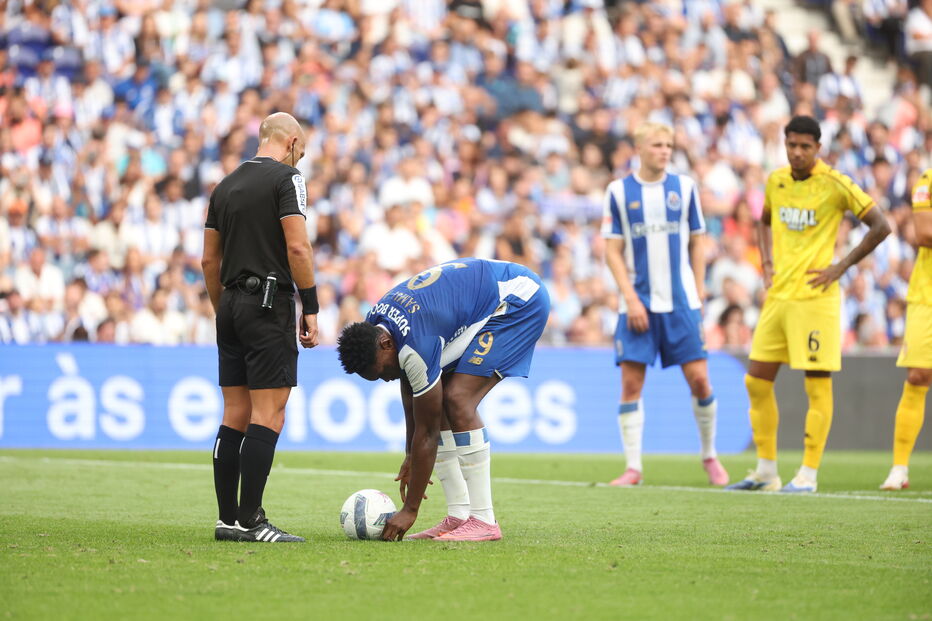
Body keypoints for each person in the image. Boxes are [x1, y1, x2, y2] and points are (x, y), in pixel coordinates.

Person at [727, 115, 890, 494]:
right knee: (755, 381)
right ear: (784, 145)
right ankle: (766, 471)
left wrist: (840, 267)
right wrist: (766, 264)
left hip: (816, 299)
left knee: (816, 386)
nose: (797, 152)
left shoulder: (834, 183)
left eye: (805, 146)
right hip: (779, 296)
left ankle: (808, 474)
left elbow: (881, 225)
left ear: (818, 148)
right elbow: (763, 222)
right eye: (791, 145)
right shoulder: (776, 181)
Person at [336, 258, 550, 542]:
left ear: (386, 345)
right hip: (485, 297)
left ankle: (484, 520)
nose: (387, 378)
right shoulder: (377, 324)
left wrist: (410, 510)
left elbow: (427, 431)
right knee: (442, 400)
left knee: (457, 399)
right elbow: (410, 384)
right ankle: (459, 515)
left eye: (382, 372)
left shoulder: (415, 343)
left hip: (519, 299)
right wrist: (411, 453)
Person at [202, 112, 320, 543]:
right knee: (269, 413)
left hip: (229, 302)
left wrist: (224, 308)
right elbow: (297, 246)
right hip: (267, 303)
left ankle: (226, 518)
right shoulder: (287, 180)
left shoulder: (224, 185)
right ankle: (251, 520)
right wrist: (310, 306)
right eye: (300, 154)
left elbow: (208, 261)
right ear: (290, 142)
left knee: (234, 412)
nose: (299, 163)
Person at [601, 122, 729, 488]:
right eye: (657, 144)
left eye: (669, 145)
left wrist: (700, 289)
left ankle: (709, 455)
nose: (665, 151)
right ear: (639, 147)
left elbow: (698, 241)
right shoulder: (619, 192)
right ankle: (633, 467)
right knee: (630, 384)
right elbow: (612, 250)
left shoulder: (685, 187)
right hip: (636, 304)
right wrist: (629, 298)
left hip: (681, 302)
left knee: (700, 379)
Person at [880, 168, 932, 490]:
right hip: (927, 296)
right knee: (917, 375)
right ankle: (899, 468)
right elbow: (924, 234)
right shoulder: (927, 181)